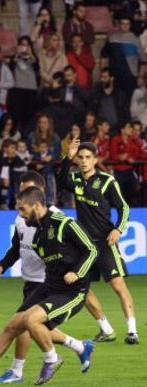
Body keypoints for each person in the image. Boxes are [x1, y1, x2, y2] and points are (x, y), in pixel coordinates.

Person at [0, 186, 98, 385]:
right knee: (13, 326)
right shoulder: (38, 234)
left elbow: (92, 250)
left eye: (23, 209)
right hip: (49, 287)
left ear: (37, 205)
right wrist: (3, 265)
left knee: (32, 321)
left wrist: (77, 272)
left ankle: (52, 359)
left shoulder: (65, 223)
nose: (20, 214)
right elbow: (22, 252)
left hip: (72, 292)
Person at [0, 171, 94, 383]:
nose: (23, 194)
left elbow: (84, 250)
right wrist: (3, 264)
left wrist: (75, 273)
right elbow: (17, 247)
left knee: (27, 323)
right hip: (35, 280)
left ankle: (18, 370)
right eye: (21, 190)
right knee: (33, 325)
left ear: (40, 193)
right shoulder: (22, 218)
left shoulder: (57, 218)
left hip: (47, 282)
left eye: (28, 189)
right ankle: (80, 346)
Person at [58, 140, 138, 344]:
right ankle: (106, 329)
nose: (83, 161)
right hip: (84, 246)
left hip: (105, 242)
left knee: (119, 286)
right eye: (81, 158)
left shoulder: (107, 181)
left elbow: (124, 208)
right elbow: (60, 180)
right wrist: (69, 156)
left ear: (95, 160)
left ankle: (132, 331)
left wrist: (118, 229)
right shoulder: (75, 179)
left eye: (87, 158)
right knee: (80, 288)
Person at [101, 16, 147, 99]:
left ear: (130, 25)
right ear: (119, 25)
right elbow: (104, 56)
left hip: (131, 77)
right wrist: (104, 74)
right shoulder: (112, 38)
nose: (125, 26)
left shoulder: (135, 40)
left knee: (129, 100)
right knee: (116, 100)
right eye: (123, 23)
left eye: (127, 24)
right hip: (114, 77)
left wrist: (140, 77)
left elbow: (143, 61)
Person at [8, 35, 39, 131]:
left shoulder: (34, 58)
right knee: (17, 115)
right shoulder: (15, 58)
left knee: (29, 116)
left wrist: (30, 54)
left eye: (27, 45)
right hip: (18, 89)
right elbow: (11, 67)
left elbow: (37, 68)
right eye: (22, 45)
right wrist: (17, 54)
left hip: (31, 90)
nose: (24, 47)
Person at [109, 121, 142, 206]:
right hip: (118, 171)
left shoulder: (133, 140)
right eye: (129, 127)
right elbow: (113, 155)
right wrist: (120, 157)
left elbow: (137, 153)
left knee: (135, 190)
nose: (131, 129)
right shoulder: (116, 139)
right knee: (119, 194)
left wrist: (127, 157)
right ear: (122, 130)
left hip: (130, 170)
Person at [89, 68, 129, 136]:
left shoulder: (120, 95)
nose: (102, 80)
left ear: (111, 78)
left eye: (105, 77)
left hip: (117, 131)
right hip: (100, 131)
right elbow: (92, 111)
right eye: (101, 77)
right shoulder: (96, 94)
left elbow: (125, 113)